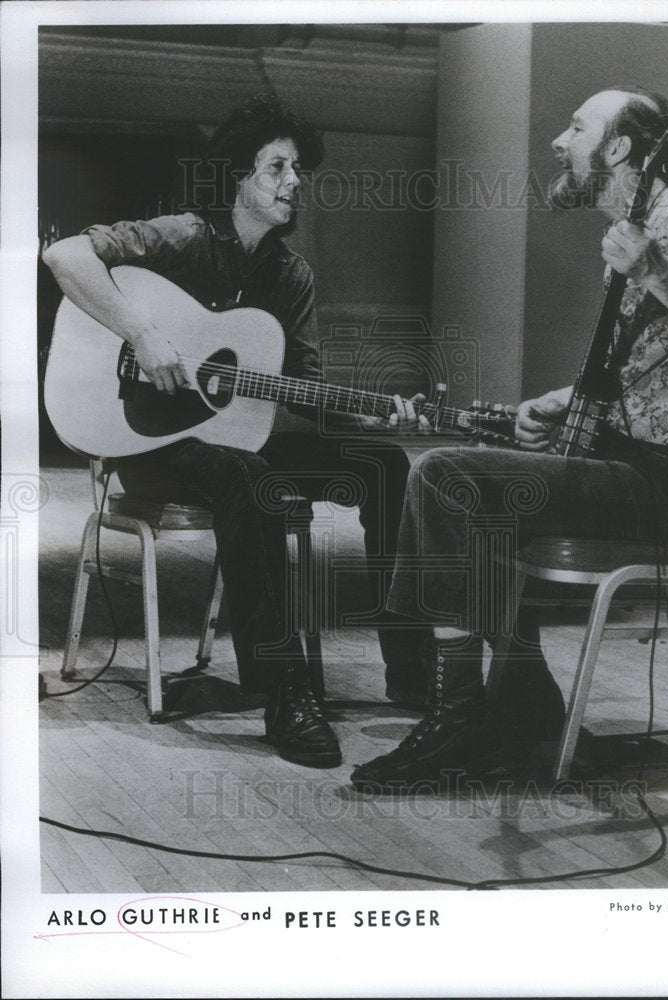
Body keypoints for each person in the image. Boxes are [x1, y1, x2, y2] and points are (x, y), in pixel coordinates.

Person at [351, 87, 668, 792]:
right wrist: (562, 401)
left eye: (576, 127)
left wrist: (655, 271)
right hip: (639, 467)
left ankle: (458, 714)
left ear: (617, 149)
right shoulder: (633, 234)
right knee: (475, 500)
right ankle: (521, 709)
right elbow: (657, 371)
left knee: (444, 476)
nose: (557, 140)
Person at [43, 93, 433, 770]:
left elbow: (306, 391)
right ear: (239, 180)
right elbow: (65, 257)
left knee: (380, 463)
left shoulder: (289, 276)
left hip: (236, 441)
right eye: (277, 167)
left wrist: (366, 414)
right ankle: (286, 692)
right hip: (149, 443)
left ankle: (410, 667)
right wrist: (144, 334)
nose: (293, 182)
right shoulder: (182, 236)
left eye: (297, 171)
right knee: (248, 477)